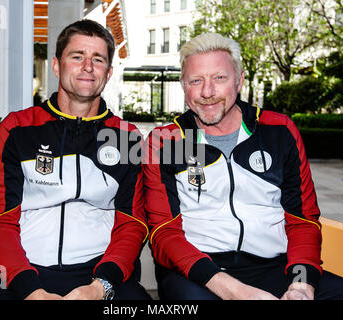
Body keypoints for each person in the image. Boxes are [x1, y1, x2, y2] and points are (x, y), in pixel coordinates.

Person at [143, 32, 343, 300]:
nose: (207, 92)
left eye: (219, 78)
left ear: (239, 80)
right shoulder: (164, 142)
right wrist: (235, 291)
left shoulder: (279, 130)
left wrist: (301, 283)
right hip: (198, 271)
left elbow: (302, 219)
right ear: (183, 85)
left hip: (276, 266)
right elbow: (164, 233)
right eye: (196, 80)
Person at [0, 19, 150, 300]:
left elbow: (132, 222)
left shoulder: (127, 138)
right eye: (77, 56)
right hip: (20, 270)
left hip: (98, 272)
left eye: (98, 59)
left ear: (109, 72)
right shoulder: (16, 129)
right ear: (56, 65)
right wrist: (30, 290)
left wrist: (99, 287)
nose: (88, 66)